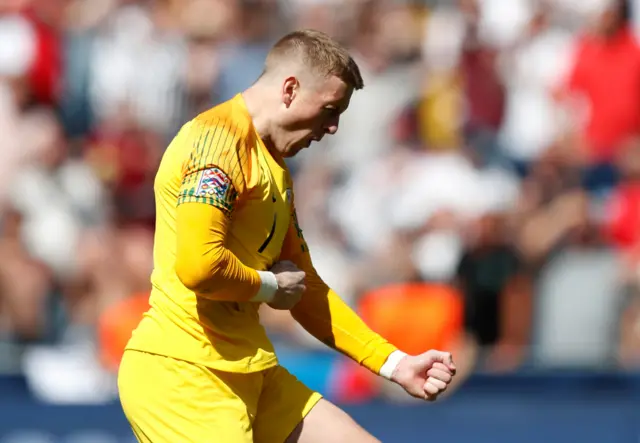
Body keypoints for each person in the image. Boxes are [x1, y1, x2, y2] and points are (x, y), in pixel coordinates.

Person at [117, 29, 457, 443]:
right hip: (184, 375)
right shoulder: (217, 143)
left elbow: (306, 288)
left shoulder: (274, 168)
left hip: (250, 372)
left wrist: (395, 363)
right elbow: (199, 266)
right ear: (291, 89)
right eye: (330, 109)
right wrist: (270, 286)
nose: (332, 127)